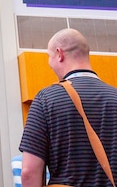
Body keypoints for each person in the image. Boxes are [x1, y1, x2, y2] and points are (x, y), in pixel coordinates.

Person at [20, 28, 117, 186]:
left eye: (49, 56)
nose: (49, 64)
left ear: (59, 54)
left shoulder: (46, 99)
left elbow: (29, 172)